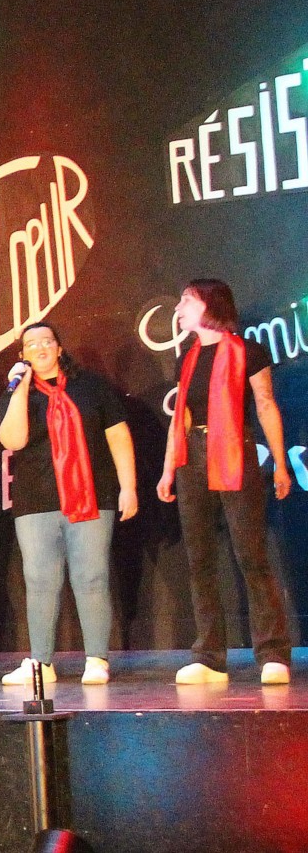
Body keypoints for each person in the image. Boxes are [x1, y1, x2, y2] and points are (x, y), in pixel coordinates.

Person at [156, 278, 295, 685]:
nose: (179, 307)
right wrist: (168, 469)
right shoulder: (188, 358)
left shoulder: (247, 351)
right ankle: (209, 656)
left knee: (250, 554)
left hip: (234, 449)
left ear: (210, 305)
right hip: (193, 457)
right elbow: (181, 418)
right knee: (199, 558)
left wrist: (280, 463)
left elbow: (265, 404)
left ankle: (273, 653)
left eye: (186, 300)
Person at [0, 323, 137, 687]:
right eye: (31, 344)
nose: (40, 348)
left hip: (91, 495)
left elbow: (118, 435)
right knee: (39, 580)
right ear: (22, 355)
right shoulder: (16, 392)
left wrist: (129, 487)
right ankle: (41, 662)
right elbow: (12, 439)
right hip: (36, 500)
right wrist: (20, 388)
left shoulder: (91, 387)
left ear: (59, 348)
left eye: (47, 341)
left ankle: (97, 659)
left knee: (91, 576)